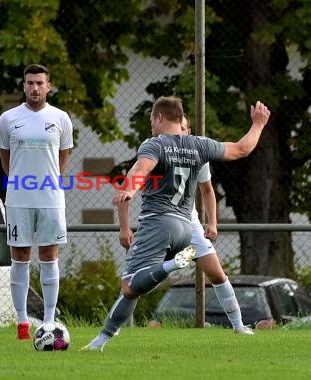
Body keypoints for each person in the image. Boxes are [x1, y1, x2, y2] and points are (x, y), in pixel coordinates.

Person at [81, 96, 270, 351]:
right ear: (181, 120)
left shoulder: (154, 144)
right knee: (147, 284)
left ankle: (102, 339)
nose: (151, 126)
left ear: (159, 118)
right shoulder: (200, 145)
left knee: (129, 285)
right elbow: (241, 149)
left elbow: (140, 170)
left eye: (151, 120)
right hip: (186, 226)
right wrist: (258, 124)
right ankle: (237, 324)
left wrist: (130, 191)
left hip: (158, 224)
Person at [117, 114, 253, 335]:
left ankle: (238, 325)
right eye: (178, 127)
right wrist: (124, 226)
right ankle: (115, 329)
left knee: (217, 274)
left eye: (185, 128)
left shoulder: (196, 153)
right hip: (160, 223)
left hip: (189, 225)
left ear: (188, 132)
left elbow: (207, 190)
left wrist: (213, 223)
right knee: (135, 280)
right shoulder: (155, 148)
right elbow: (133, 179)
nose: (181, 132)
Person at [0, 64, 74, 340]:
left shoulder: (61, 118)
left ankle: (50, 320)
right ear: (24, 87)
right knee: (19, 257)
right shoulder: (8, 119)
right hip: (18, 198)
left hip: (50, 198)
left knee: (49, 256)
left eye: (40, 83)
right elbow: (5, 159)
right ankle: (21, 323)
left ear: (48, 86)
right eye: (30, 83)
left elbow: (62, 157)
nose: (35, 88)